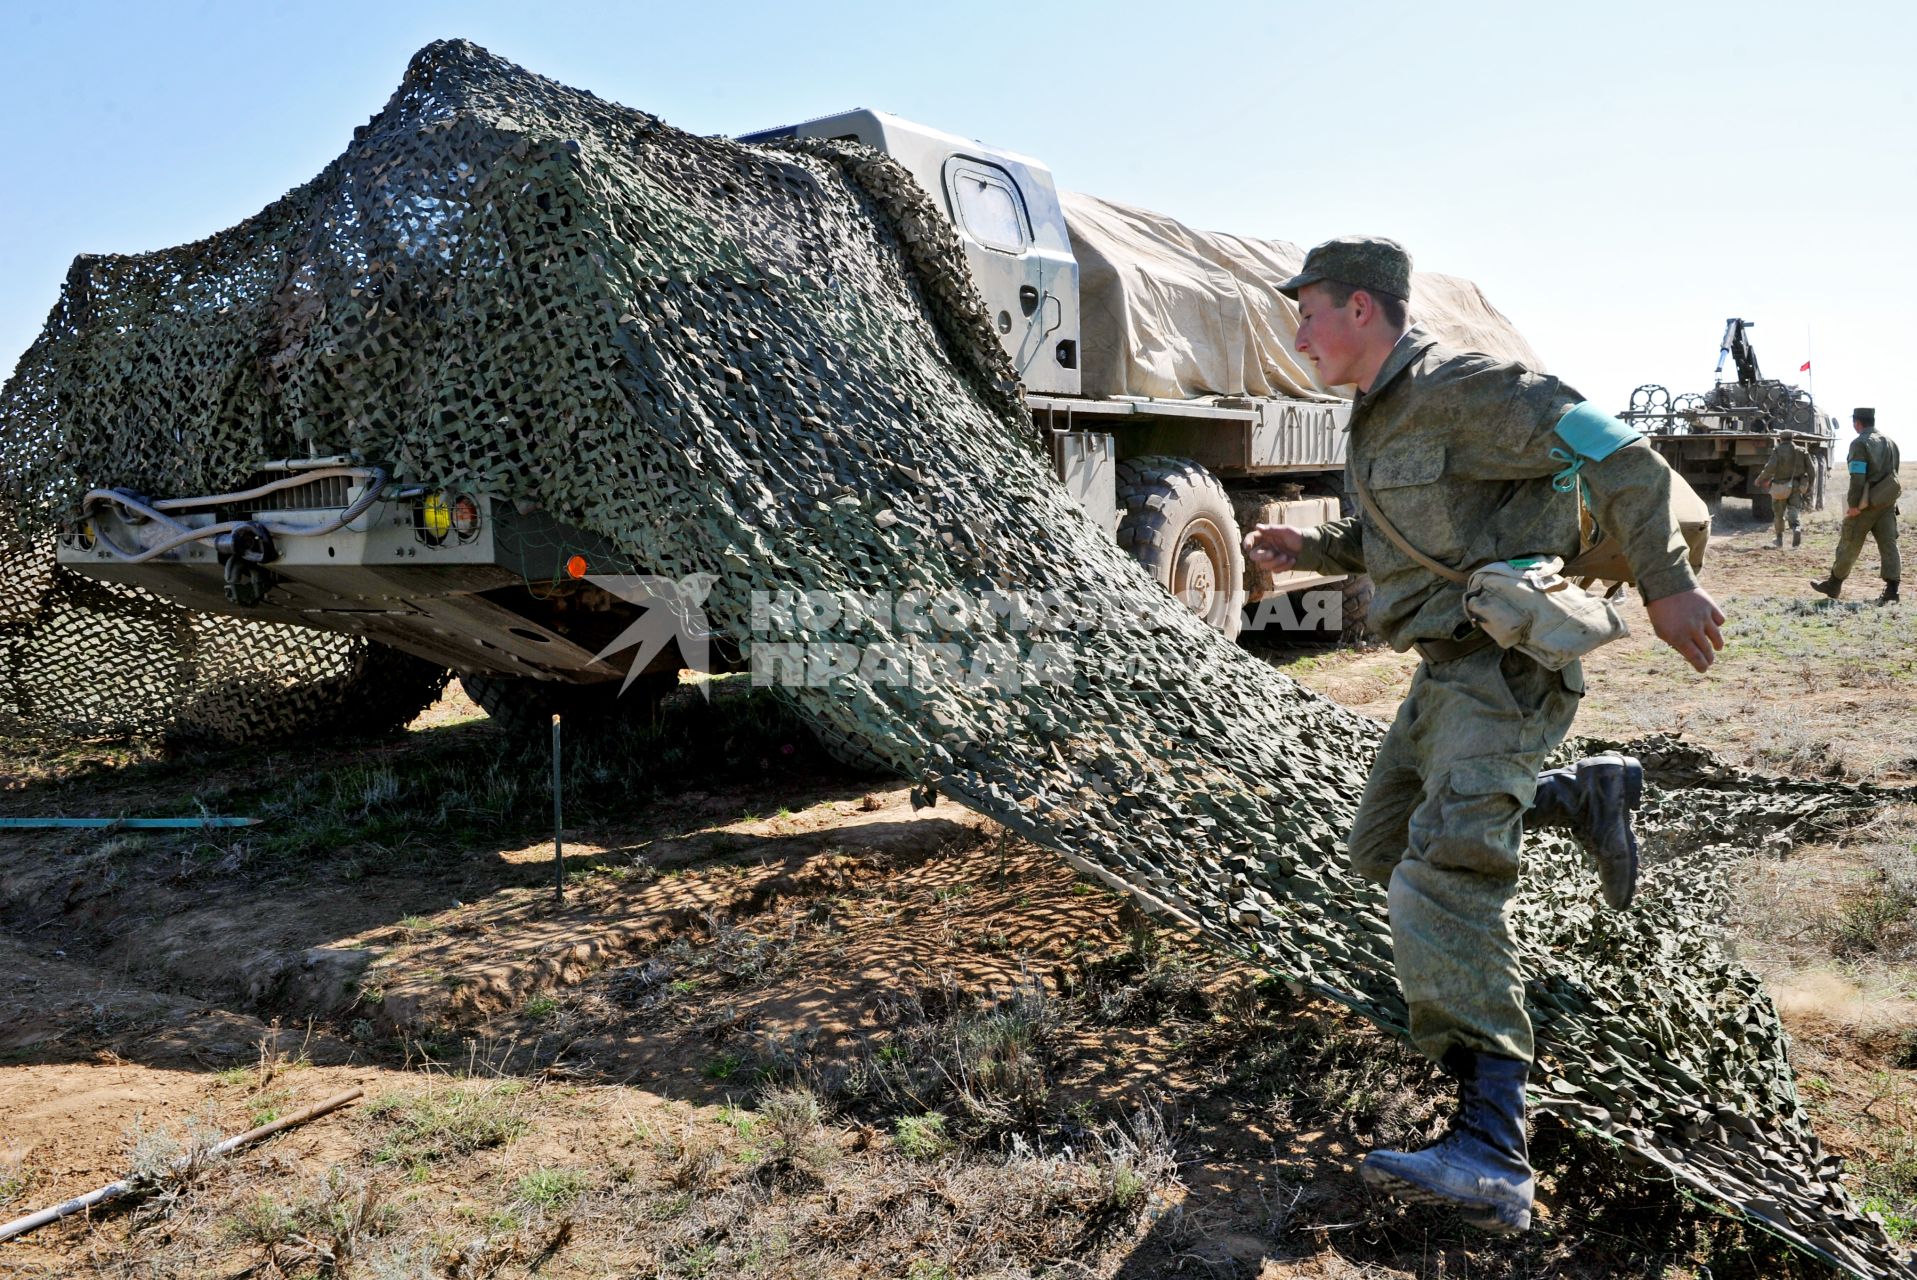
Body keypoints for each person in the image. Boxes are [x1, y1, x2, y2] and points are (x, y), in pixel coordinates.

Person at [1244, 236, 1725, 1235]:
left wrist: (1667, 580)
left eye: (1310, 310)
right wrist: (1313, 545)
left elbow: (1615, 447)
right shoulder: (1376, 417)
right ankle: (1582, 795)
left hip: (1501, 671)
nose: (1298, 330)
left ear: (1365, 310)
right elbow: (1410, 530)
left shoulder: (1466, 386)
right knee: (1378, 848)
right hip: (1442, 674)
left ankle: (1494, 1147)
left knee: (1442, 878)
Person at [1810, 409, 1901, 604]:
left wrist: (1853, 505)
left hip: (1865, 504)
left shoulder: (1860, 443)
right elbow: (1895, 474)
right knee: (1889, 545)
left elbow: (1857, 477)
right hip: (1887, 503)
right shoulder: (1890, 442)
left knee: (1850, 542)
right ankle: (1892, 590)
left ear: (1857, 423)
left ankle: (1834, 584)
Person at [1752, 432, 1813, 547]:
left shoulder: (1777, 451)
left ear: (1780, 439)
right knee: (1794, 509)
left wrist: (1759, 479)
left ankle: (1779, 539)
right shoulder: (1801, 451)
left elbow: (1770, 468)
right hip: (1796, 485)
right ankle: (1796, 528)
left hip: (1780, 486)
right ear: (1792, 438)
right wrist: (1810, 485)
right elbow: (1811, 469)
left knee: (1779, 514)